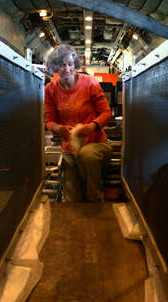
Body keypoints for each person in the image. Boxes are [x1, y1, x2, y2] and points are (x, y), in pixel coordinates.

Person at [44, 44, 112, 202]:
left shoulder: (90, 83)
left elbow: (107, 113)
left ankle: (96, 201)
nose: (67, 69)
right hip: (70, 151)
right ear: (55, 67)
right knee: (72, 199)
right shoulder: (50, 90)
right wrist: (58, 129)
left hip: (96, 144)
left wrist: (92, 127)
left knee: (86, 155)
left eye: (70, 64)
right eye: (62, 65)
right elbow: (49, 121)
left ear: (75, 65)